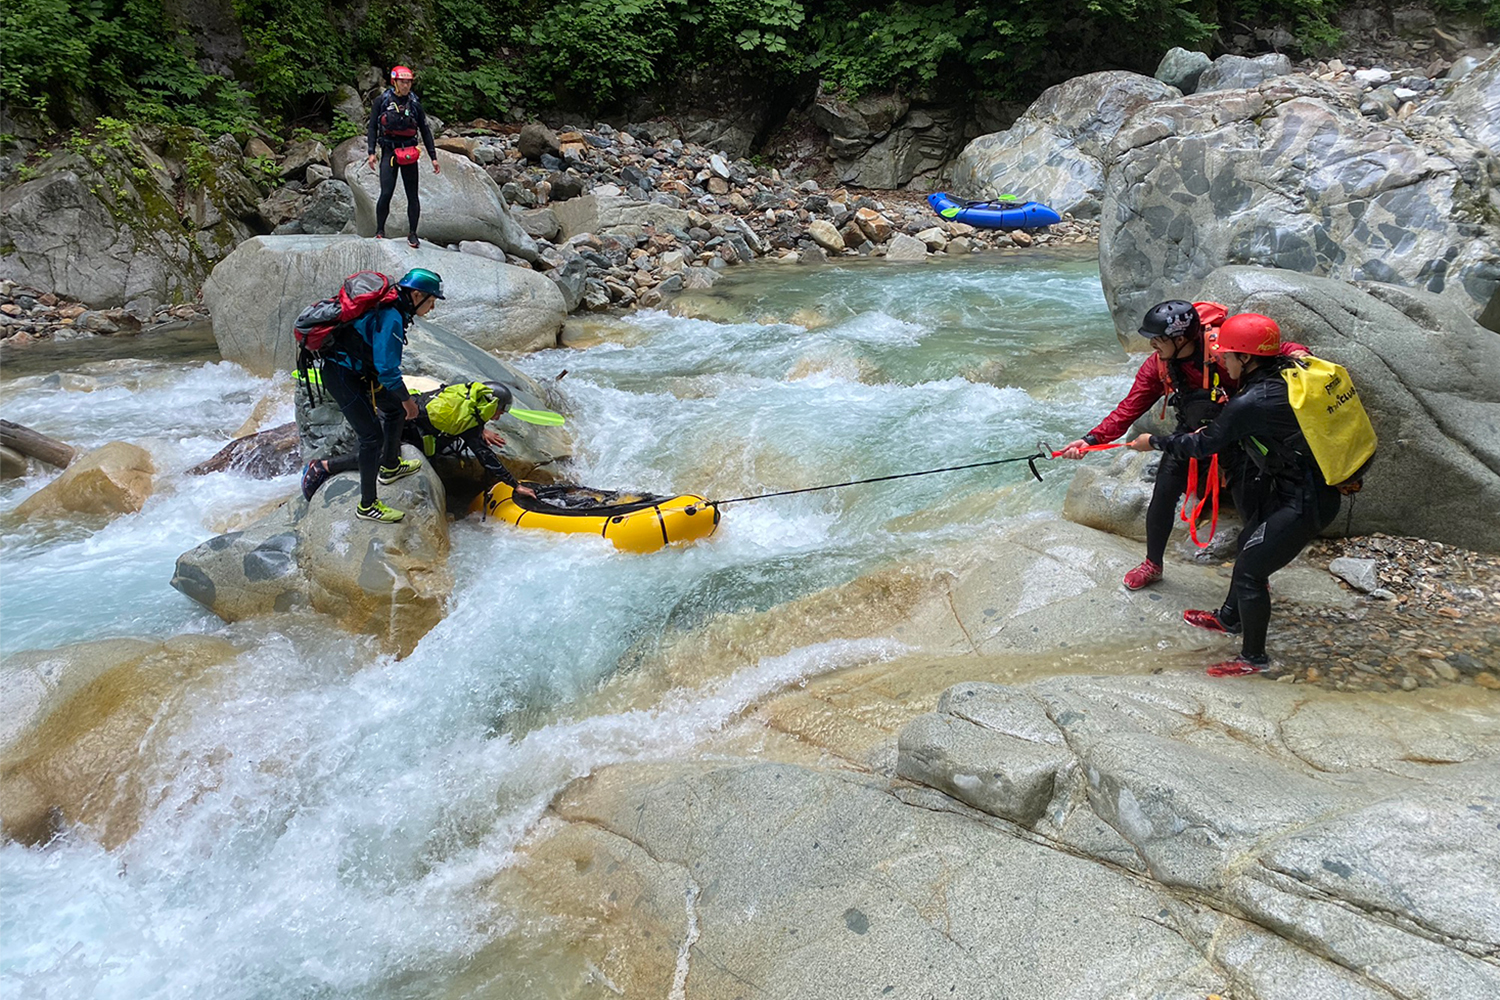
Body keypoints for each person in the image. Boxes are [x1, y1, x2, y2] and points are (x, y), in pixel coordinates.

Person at [1126, 313, 1341, 677]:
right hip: (1295, 488)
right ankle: (1229, 619)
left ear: (1247, 358)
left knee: (1249, 572)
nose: (1221, 361)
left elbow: (1203, 443)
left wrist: (1154, 441)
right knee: (1248, 546)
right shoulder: (1283, 375)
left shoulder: (1252, 401)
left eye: (1228, 355)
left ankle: (1253, 659)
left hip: (1305, 501)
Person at [1057, 300, 1307, 590]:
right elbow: (1129, 407)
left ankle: (1252, 578)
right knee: (1163, 495)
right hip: (1189, 435)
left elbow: (1273, 348)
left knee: (1251, 509)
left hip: (1238, 439)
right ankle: (1152, 564)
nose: (1151, 345)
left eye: (1157, 339)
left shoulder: (1221, 349)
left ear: (1179, 339)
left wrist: (1300, 353)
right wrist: (1091, 440)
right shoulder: (1158, 364)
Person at [301, 268, 444, 523]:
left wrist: (401, 402)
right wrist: (408, 400)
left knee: (394, 411)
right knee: (371, 437)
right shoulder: (391, 315)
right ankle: (367, 505)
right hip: (342, 376)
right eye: (431, 301)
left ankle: (390, 466)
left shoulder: (392, 307)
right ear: (417, 295)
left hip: (358, 371)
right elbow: (388, 370)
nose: (431, 308)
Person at [400, 381, 537, 499]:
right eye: (499, 413)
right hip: (409, 433)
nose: (497, 418)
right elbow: (486, 457)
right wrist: (516, 485)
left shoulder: (463, 395)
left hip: (407, 406)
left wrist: (481, 429)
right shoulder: (468, 423)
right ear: (491, 406)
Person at [366, 65, 439, 248]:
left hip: (409, 153)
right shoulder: (382, 101)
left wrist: (433, 156)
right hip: (389, 152)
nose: (406, 86)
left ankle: (413, 234)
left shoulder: (414, 104)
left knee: (412, 195)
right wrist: (371, 152)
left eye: (408, 82)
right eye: (402, 82)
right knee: (386, 193)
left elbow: (425, 129)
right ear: (394, 82)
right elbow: (372, 127)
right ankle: (380, 231)